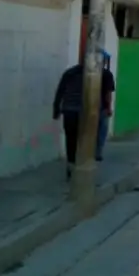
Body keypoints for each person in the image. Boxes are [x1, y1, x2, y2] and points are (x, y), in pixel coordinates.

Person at [52, 52, 116, 180]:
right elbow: (103, 94)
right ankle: (85, 166)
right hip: (85, 112)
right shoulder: (96, 74)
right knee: (86, 140)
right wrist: (107, 108)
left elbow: (60, 91)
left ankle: (71, 165)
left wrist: (56, 109)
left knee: (71, 139)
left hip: (69, 110)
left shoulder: (69, 73)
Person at [95, 51, 116, 161]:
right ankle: (98, 152)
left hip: (90, 105)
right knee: (102, 130)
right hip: (102, 106)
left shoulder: (89, 72)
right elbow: (108, 93)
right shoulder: (107, 74)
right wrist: (109, 107)